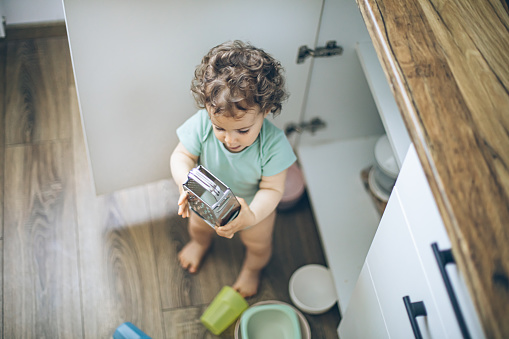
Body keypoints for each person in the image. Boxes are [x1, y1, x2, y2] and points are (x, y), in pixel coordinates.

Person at [170, 40, 296, 297]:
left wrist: (250, 216)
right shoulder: (203, 123)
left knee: (258, 246)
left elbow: (272, 189)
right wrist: (187, 183)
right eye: (220, 128)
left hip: (252, 207)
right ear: (208, 112)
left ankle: (252, 271)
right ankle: (199, 244)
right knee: (197, 227)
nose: (230, 139)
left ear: (266, 110)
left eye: (243, 130)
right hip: (206, 198)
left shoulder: (273, 145)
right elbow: (181, 156)